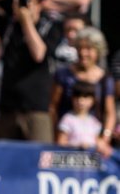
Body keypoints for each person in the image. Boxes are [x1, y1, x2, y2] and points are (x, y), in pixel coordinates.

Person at [0, 0, 62, 143]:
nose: (22, 4)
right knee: (1, 161)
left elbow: (39, 54)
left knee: (38, 161)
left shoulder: (51, 26)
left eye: (29, 0)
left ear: (40, 4)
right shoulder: (8, 25)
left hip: (36, 109)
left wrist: (25, 20)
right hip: (8, 108)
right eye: (19, 0)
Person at [48, 26, 114, 157]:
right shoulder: (63, 74)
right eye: (80, 48)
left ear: (97, 51)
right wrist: (58, 134)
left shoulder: (105, 79)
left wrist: (104, 139)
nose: (83, 53)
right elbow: (53, 106)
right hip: (67, 138)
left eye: (88, 49)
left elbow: (109, 112)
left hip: (92, 141)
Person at [56, 81, 103, 152]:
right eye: (77, 96)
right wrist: (78, 146)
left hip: (90, 159)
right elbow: (61, 142)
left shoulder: (94, 121)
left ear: (93, 100)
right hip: (73, 158)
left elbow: (97, 140)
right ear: (72, 98)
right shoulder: (68, 119)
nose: (80, 100)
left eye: (85, 97)